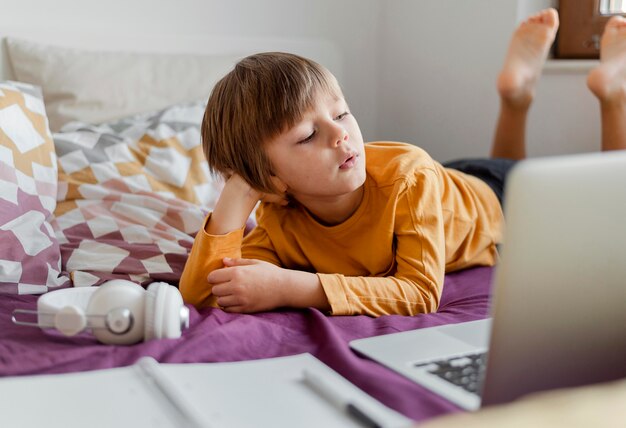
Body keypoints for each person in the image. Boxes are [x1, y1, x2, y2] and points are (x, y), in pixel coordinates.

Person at [179, 9, 626, 316]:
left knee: (613, 205)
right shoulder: (279, 222)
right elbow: (199, 296)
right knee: (504, 164)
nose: (341, 134)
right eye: (309, 135)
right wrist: (237, 192)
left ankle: (612, 93)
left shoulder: (408, 176)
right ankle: (516, 94)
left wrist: (298, 288)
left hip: (492, 202)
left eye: (341, 114)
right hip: (446, 193)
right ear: (272, 182)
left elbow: (420, 293)